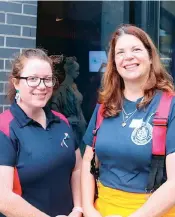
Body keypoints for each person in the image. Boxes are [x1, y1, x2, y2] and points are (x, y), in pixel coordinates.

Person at [81, 24, 175, 217]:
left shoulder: (170, 105)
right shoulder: (104, 106)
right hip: (103, 210)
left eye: (136, 49)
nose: (128, 57)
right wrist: (89, 210)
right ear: (114, 62)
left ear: (150, 57)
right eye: (120, 52)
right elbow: (88, 163)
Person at [0, 48, 82, 217]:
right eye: (33, 79)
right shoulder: (5, 128)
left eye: (47, 79)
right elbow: (3, 198)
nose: (42, 86)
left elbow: (77, 169)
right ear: (16, 83)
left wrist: (78, 209)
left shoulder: (62, 121)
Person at [51, 56, 87, 153]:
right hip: (72, 127)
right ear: (70, 71)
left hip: (81, 125)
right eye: (76, 71)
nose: (78, 73)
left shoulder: (74, 87)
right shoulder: (62, 89)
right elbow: (54, 107)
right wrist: (66, 120)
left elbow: (79, 107)